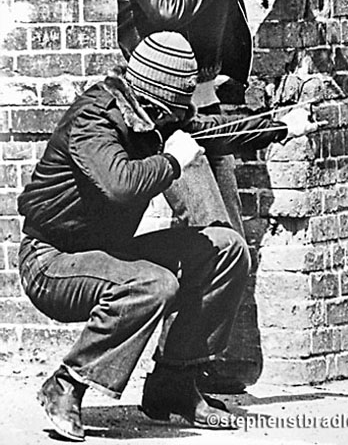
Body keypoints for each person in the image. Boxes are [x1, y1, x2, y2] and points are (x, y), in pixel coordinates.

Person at [116, 0, 347, 392]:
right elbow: (168, 10)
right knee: (213, 239)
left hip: (204, 109)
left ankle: (183, 381)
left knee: (224, 242)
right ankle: (172, 383)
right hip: (160, 119)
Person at [17, 31, 318, 441]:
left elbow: (215, 130)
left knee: (227, 250)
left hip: (110, 255)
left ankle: (173, 383)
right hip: (51, 262)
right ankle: (66, 385)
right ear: (154, 99)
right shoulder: (94, 118)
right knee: (154, 284)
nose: (178, 120)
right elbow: (119, 184)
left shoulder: (157, 112)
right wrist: (173, 159)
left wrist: (281, 126)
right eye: (173, 111)